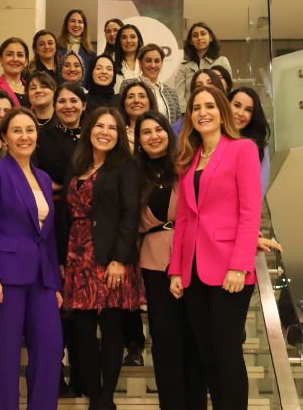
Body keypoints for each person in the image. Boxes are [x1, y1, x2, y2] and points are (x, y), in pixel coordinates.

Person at [167, 85, 261, 410]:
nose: (202, 112)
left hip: (229, 268)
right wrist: (176, 270)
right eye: (196, 108)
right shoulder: (189, 158)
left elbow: (250, 212)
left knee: (226, 351)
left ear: (222, 113)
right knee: (206, 354)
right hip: (193, 270)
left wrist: (240, 265)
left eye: (209, 106)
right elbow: (183, 219)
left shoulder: (243, 149)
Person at [0, 107, 63, 410]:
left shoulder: (44, 177)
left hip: (42, 279)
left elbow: (48, 234)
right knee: (4, 359)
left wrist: (55, 284)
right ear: (4, 137)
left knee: (51, 351)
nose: (24, 136)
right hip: (5, 277)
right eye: (16, 130)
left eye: (30, 130)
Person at [59, 107, 144, 410]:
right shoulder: (77, 163)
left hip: (110, 257)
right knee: (82, 330)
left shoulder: (125, 166)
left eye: (112, 128)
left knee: (110, 328)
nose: (105, 132)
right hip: (78, 255)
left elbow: (130, 215)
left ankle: (105, 400)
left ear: (119, 135)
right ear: (89, 130)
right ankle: (94, 395)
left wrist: (119, 259)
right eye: (99, 126)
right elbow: (65, 214)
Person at [134, 111, 207, 410]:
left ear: (169, 133)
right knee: (165, 337)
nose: (154, 136)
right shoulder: (133, 174)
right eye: (146, 132)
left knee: (195, 334)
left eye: (159, 130)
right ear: (138, 140)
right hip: (153, 260)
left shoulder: (186, 166)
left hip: (192, 255)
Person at [32, 83, 88, 398]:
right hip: (54, 226)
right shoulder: (45, 136)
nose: (68, 105)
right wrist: (60, 187)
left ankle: (83, 377)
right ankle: (55, 380)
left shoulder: (93, 134)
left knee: (82, 310)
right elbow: (37, 178)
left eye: (74, 100)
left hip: (86, 230)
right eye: (62, 100)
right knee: (56, 308)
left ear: (83, 104)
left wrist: (62, 186)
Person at [117, 43, 181, 123]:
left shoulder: (172, 93)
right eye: (148, 61)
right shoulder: (128, 84)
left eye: (157, 61)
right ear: (140, 63)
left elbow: (178, 123)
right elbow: (121, 114)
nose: (153, 65)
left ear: (161, 64)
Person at [174, 22, 233, 104]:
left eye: (203, 34)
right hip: (191, 109)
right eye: (195, 35)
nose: (199, 38)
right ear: (191, 41)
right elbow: (179, 96)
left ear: (210, 37)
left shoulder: (222, 61)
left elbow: (228, 90)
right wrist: (188, 110)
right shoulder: (184, 67)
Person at [229, 87, 271, 196]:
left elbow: (258, 192)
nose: (241, 113)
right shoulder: (212, 140)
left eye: (248, 110)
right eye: (237, 106)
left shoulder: (259, 147)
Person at [171, 68, 223, 137]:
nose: (205, 87)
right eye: (199, 85)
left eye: (210, 83)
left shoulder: (231, 119)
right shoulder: (179, 128)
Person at [57, 9, 95, 83]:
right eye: (72, 21)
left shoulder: (91, 54)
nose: (76, 25)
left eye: (80, 22)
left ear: (84, 26)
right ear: (66, 25)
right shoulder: (56, 48)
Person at [118, 80, 156, 148]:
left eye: (142, 96)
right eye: (131, 97)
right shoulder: (116, 133)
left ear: (150, 101)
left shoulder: (160, 133)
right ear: (124, 103)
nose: (136, 101)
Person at [113, 24, 144, 91]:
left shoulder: (145, 63)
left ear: (138, 40)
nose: (128, 41)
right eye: (124, 37)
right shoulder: (112, 63)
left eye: (132, 37)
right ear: (119, 41)